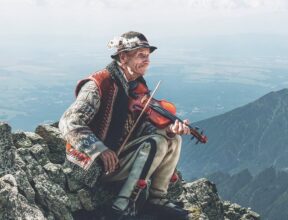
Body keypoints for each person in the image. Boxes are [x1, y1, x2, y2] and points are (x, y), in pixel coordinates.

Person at [59, 31, 190, 219]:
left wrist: (169, 130)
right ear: (123, 57)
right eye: (141, 55)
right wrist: (100, 149)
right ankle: (122, 205)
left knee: (173, 139)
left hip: (120, 155)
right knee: (156, 143)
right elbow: (68, 122)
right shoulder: (98, 84)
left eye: (148, 56)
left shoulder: (135, 85)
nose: (147, 61)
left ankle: (157, 199)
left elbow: (141, 128)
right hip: (91, 163)